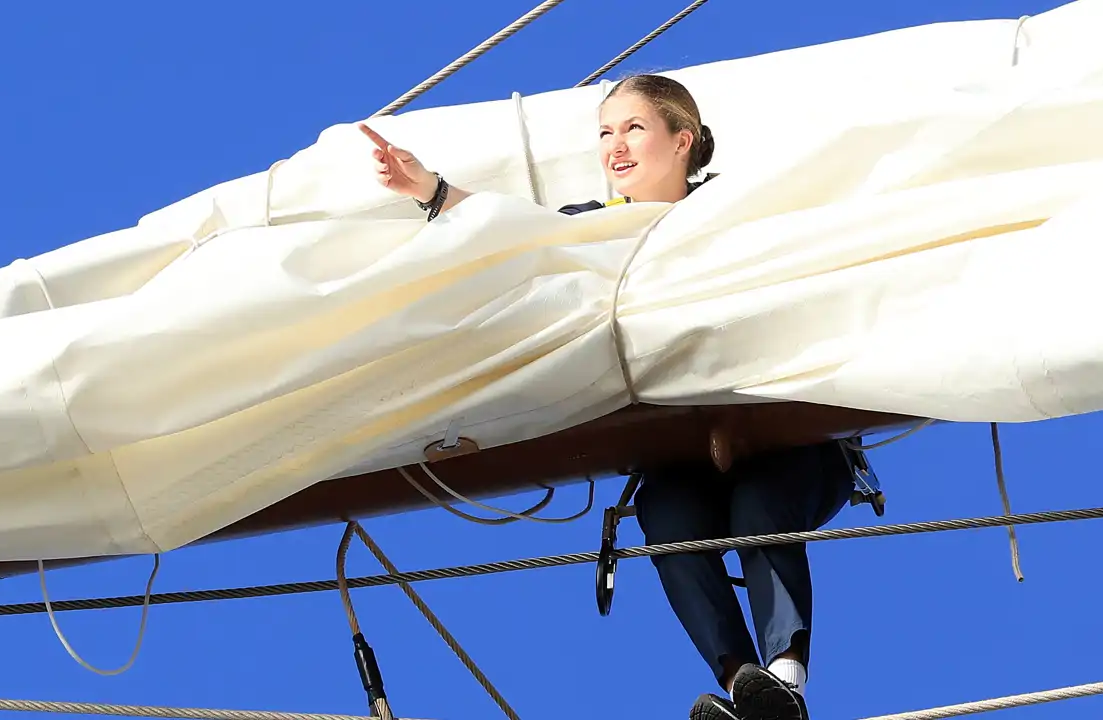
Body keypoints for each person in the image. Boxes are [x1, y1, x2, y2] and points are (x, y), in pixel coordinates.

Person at [357, 74, 856, 720]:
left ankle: (785, 682)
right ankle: (743, 687)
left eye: (633, 129)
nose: (614, 147)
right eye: (604, 133)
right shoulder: (592, 231)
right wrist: (431, 189)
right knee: (667, 518)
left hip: (785, 438)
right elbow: (515, 233)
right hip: (679, 450)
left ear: (683, 141)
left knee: (762, 506)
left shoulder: (735, 208)